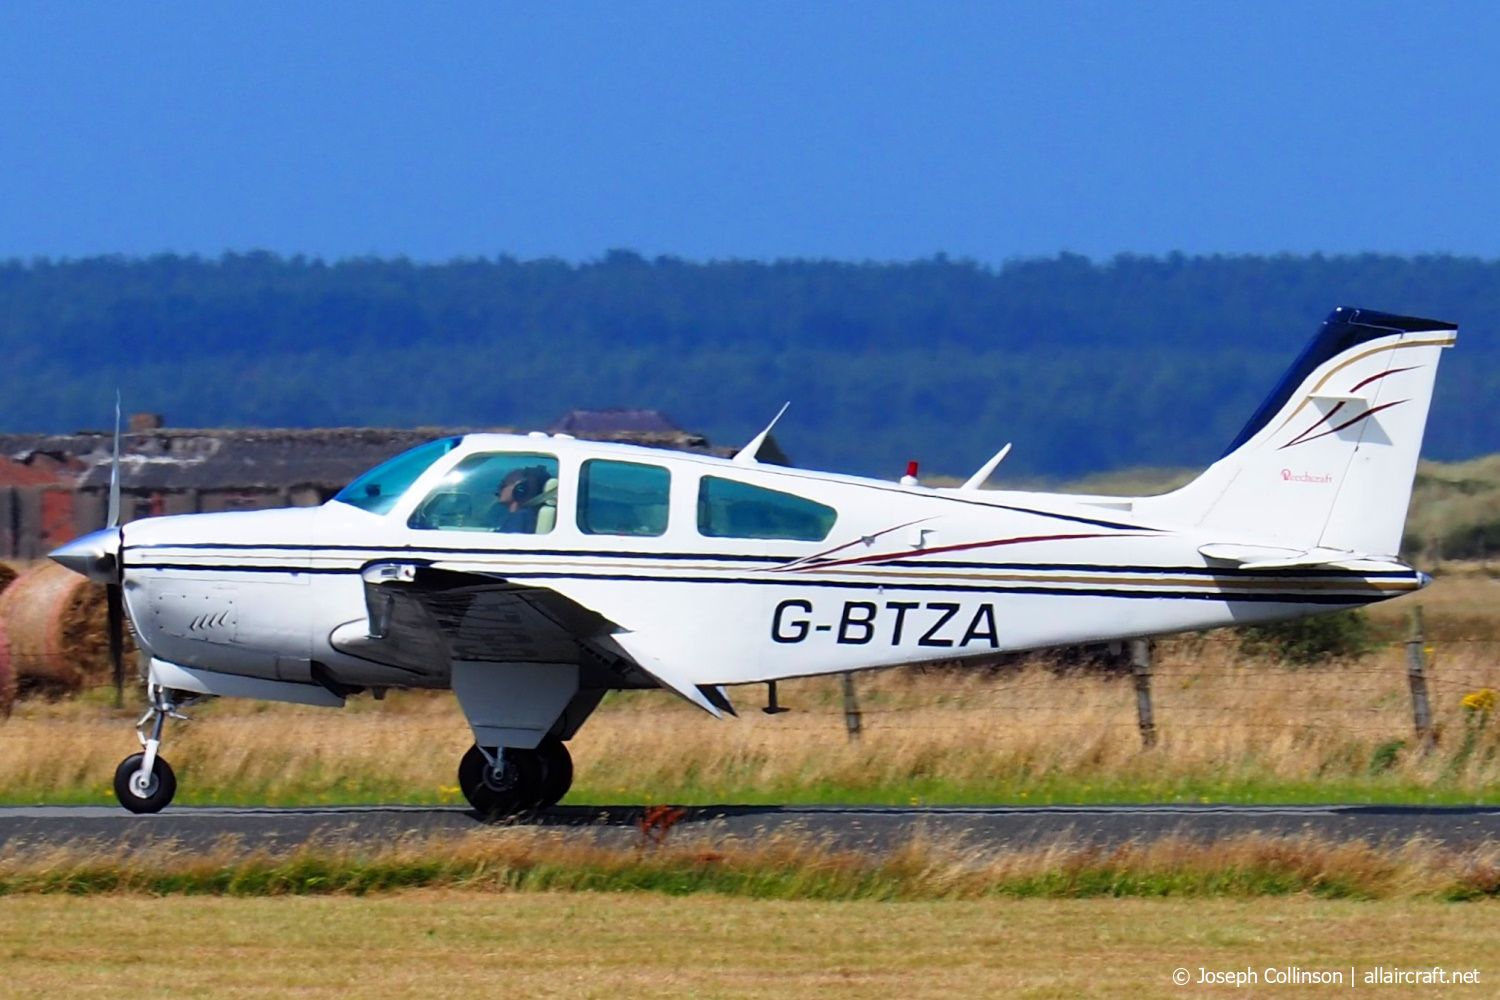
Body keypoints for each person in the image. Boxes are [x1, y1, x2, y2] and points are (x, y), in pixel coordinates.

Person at [493, 466, 550, 533]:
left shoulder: (521, 519)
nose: (499, 489)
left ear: (520, 489)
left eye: (503, 484)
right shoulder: (529, 517)